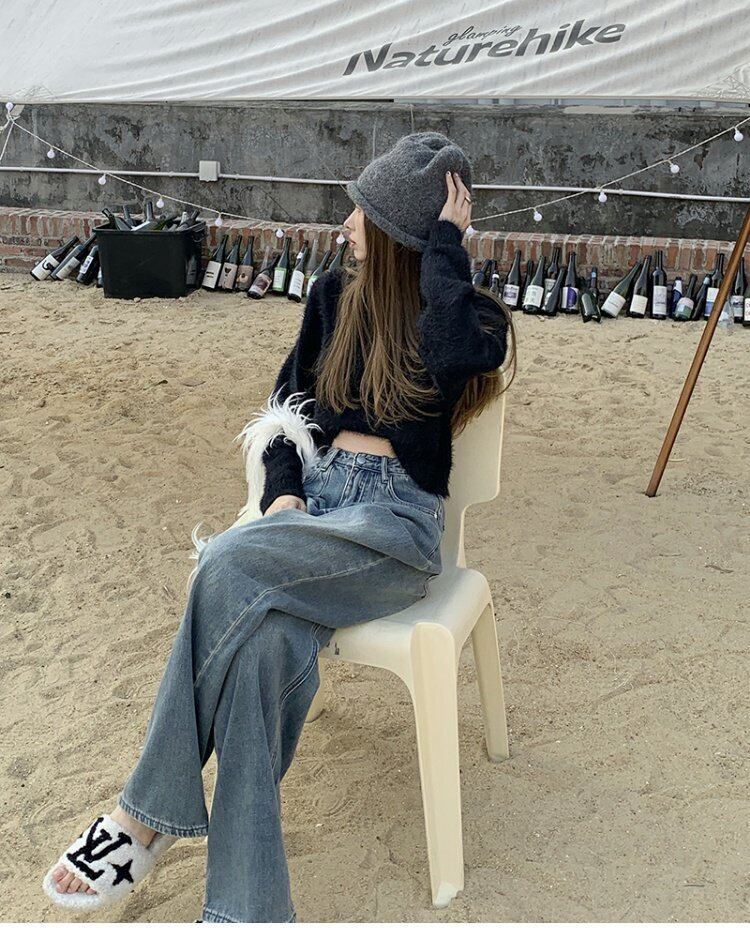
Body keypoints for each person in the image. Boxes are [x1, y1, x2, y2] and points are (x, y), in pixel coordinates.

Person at [42, 131, 517, 922]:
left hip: (391, 528)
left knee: (223, 564)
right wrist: (285, 496)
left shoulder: (468, 314)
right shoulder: (331, 298)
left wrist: (444, 246)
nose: (346, 226)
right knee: (261, 649)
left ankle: (140, 818)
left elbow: (455, 351)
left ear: (399, 233)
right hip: (313, 512)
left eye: (362, 213)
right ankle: (247, 913)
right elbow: (282, 414)